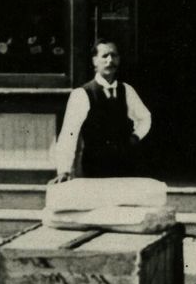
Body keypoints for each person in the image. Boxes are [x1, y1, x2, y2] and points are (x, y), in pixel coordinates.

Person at [52, 40, 153, 181]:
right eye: (105, 56)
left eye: (114, 55)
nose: (110, 60)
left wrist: (135, 137)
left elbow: (145, 117)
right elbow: (69, 133)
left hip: (124, 166)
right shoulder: (82, 94)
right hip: (94, 167)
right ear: (94, 61)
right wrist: (64, 170)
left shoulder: (126, 90)